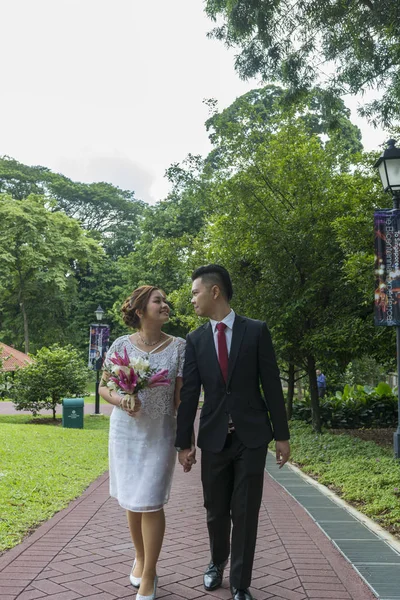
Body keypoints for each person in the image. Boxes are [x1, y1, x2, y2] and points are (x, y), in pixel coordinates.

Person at [175, 265, 290, 600]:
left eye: (195, 292)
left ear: (214, 292)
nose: (192, 299)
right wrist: (184, 442)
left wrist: (281, 435)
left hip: (251, 437)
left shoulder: (255, 331)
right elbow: (189, 393)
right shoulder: (195, 340)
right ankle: (215, 563)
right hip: (213, 437)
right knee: (215, 509)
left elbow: (270, 384)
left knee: (245, 510)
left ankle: (240, 583)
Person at [99, 286, 185, 600]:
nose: (165, 305)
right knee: (132, 500)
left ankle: (149, 575)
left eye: (165, 301)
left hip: (160, 433)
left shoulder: (179, 348)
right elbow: (104, 387)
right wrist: (123, 399)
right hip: (125, 432)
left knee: (151, 500)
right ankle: (140, 556)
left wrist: (186, 440)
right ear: (140, 310)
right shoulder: (121, 345)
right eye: (157, 301)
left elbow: (181, 398)